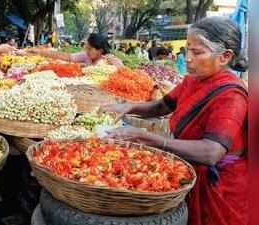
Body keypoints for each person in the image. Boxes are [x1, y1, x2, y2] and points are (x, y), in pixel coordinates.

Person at [100, 16, 248, 225]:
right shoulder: (193, 80)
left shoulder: (231, 95)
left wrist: (149, 138)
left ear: (224, 56)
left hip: (219, 188)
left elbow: (212, 151)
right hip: (190, 174)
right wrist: (128, 106)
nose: (187, 58)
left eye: (197, 52)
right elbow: (162, 106)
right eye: (187, 49)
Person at [25, 33, 124, 67]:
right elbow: (66, 56)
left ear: (100, 50)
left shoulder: (110, 60)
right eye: (86, 48)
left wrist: (117, 65)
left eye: (90, 48)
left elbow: (127, 73)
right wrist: (40, 52)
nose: (87, 51)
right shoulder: (86, 55)